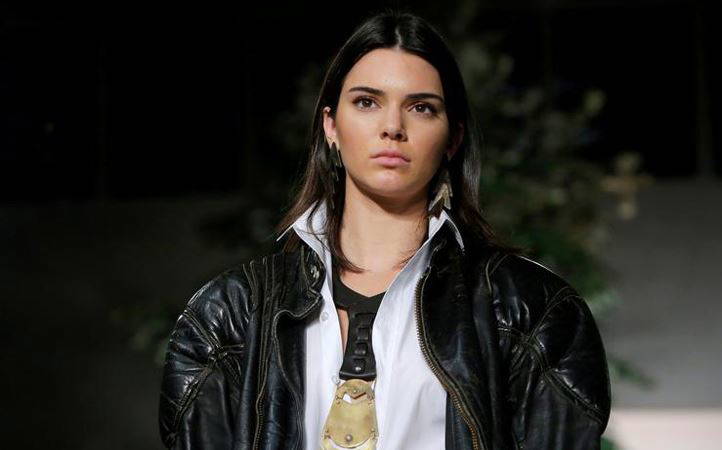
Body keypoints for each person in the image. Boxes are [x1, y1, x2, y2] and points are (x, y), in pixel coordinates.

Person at [158, 9, 611, 450]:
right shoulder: (229, 316)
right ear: (331, 125)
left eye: (421, 108)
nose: (392, 127)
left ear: (452, 138)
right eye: (367, 102)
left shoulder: (530, 312)